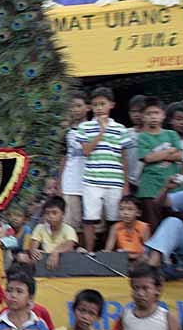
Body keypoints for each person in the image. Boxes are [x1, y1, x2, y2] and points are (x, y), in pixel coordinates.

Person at [77, 86, 133, 252]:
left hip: (114, 180)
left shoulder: (121, 129)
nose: (99, 108)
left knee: (115, 218)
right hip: (92, 180)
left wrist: (126, 183)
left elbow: (123, 158)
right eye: (95, 105)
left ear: (111, 105)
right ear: (91, 107)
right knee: (90, 218)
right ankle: (90, 251)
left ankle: (112, 251)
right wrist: (101, 132)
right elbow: (86, 151)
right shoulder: (85, 127)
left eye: (103, 104)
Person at [138, 97, 183, 230]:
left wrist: (157, 155)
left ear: (163, 115)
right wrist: (169, 151)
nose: (153, 117)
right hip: (150, 186)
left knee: (175, 221)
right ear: (143, 117)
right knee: (153, 224)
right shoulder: (142, 136)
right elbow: (147, 158)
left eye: (156, 113)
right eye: (149, 114)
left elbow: (180, 155)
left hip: (174, 185)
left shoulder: (171, 134)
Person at [58, 92, 90, 230]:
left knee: (91, 223)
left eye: (79, 106)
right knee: (70, 224)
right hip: (70, 182)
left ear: (88, 107)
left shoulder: (95, 129)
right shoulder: (66, 132)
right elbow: (64, 157)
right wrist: (59, 183)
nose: (75, 109)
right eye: (72, 106)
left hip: (91, 181)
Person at [22, 195, 78, 270]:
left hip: (64, 261)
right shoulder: (40, 227)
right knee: (21, 257)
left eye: (54, 213)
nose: (50, 216)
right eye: (47, 213)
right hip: (45, 259)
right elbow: (33, 244)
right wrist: (33, 250)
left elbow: (69, 245)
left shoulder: (69, 229)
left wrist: (56, 252)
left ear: (63, 214)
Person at [104, 195, 150, 261]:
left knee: (145, 258)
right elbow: (108, 250)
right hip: (122, 258)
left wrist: (133, 256)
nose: (125, 213)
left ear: (138, 213)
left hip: (138, 258)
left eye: (130, 209)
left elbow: (147, 251)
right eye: (121, 209)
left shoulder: (144, 227)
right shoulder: (115, 227)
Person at [127, 95, 146, 195]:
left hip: (147, 183)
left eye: (140, 111)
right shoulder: (125, 133)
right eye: (133, 112)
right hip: (128, 182)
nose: (136, 115)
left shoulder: (154, 135)